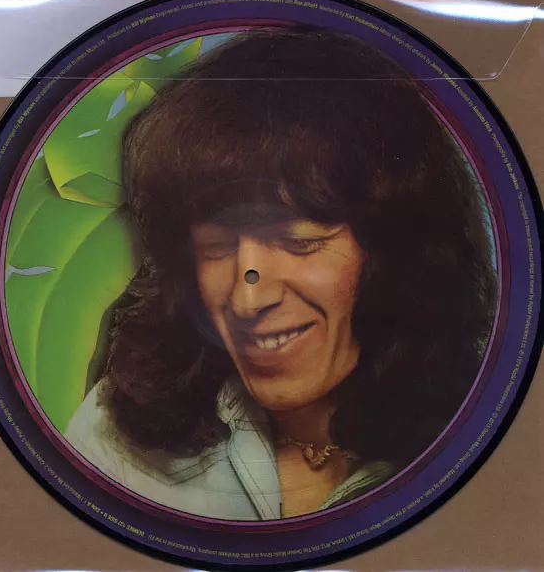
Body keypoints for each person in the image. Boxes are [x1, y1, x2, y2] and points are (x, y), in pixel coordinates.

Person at [65, 28, 498, 520]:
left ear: (396, 250)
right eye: (216, 248)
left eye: (298, 243)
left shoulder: (491, 422)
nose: (247, 299)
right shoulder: (115, 430)